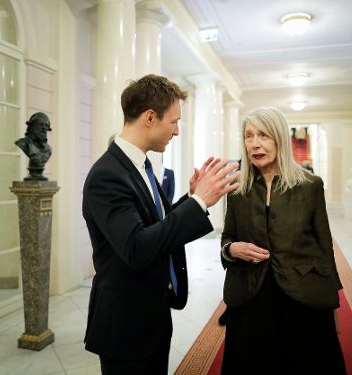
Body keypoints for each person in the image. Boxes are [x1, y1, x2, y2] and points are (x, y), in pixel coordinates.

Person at [82, 74, 239, 375]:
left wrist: (192, 197)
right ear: (150, 117)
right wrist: (199, 203)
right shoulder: (107, 175)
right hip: (125, 324)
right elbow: (137, 248)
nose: (177, 131)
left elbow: (156, 225)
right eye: (174, 122)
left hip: (151, 313)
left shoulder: (140, 164)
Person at [220, 106, 345, 374]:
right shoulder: (238, 190)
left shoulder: (310, 185)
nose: (255, 144)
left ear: (279, 138)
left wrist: (332, 303)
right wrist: (232, 249)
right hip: (251, 297)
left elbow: (324, 247)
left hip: (302, 296)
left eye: (264, 135)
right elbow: (227, 240)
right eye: (249, 136)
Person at [15, 112, 52, 180]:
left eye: (46, 125)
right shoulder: (23, 143)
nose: (44, 128)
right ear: (32, 127)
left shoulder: (48, 149)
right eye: (41, 124)